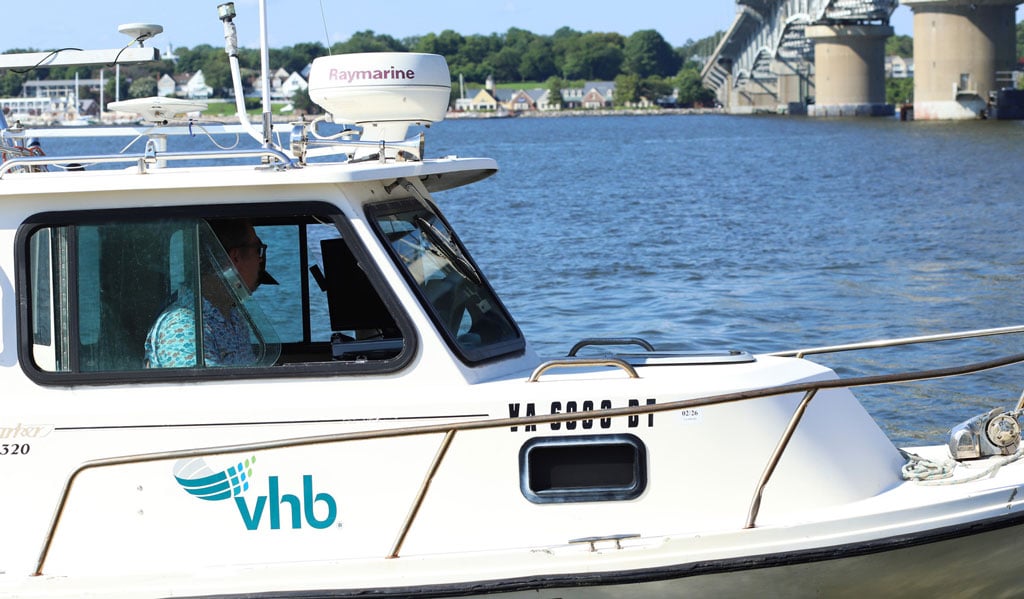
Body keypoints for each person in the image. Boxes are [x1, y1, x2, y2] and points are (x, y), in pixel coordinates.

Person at [145, 219, 277, 368]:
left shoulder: (233, 316)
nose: (260, 261)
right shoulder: (184, 326)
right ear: (236, 257)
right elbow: (203, 389)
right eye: (257, 250)